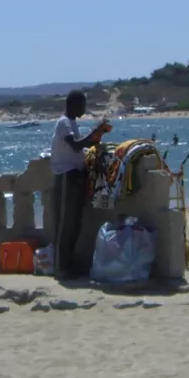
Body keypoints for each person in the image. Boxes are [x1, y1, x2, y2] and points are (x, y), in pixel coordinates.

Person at [50, 90, 111, 278]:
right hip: (66, 175)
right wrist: (93, 134)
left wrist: (97, 136)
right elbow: (76, 145)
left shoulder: (72, 123)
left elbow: (83, 146)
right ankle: (60, 267)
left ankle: (69, 264)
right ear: (74, 104)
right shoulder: (63, 123)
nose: (84, 109)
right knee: (65, 224)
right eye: (82, 105)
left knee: (75, 224)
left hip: (76, 175)